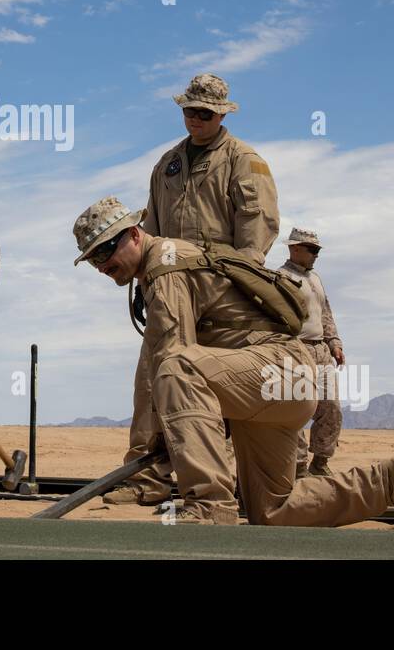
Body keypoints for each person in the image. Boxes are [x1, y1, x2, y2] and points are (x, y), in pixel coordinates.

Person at [73, 197, 394, 526]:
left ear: (135, 234)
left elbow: (172, 360)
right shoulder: (167, 262)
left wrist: (160, 452)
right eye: (93, 259)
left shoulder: (165, 266)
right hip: (276, 385)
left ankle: (208, 506)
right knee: (273, 510)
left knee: (176, 368)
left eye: (106, 250)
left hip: (277, 371)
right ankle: (393, 482)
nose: (102, 264)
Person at [109, 73, 279, 507]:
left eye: (205, 112)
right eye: (189, 110)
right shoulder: (166, 164)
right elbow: (150, 232)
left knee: (216, 387)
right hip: (170, 288)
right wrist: (147, 281)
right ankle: (146, 481)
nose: (195, 119)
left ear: (222, 113)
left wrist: (240, 286)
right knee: (153, 379)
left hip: (223, 291)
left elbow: (256, 234)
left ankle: (216, 485)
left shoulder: (245, 160)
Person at [277, 228, 344, 479]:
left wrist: (335, 342)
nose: (316, 255)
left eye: (317, 250)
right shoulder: (280, 277)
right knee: (297, 409)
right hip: (296, 349)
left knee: (332, 407)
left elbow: (326, 313)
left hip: (322, 350)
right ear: (294, 249)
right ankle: (299, 466)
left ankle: (321, 461)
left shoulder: (315, 278)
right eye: (312, 250)